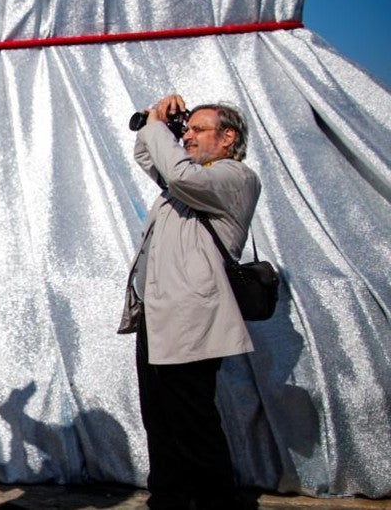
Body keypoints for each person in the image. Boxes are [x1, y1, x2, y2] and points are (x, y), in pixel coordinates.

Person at [118, 95, 261, 510]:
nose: (188, 137)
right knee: (160, 420)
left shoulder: (234, 177)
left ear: (228, 136)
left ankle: (217, 503)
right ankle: (169, 499)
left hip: (190, 319)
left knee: (192, 420)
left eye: (198, 130)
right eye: (187, 130)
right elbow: (151, 157)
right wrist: (152, 120)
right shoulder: (191, 180)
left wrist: (159, 128)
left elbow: (177, 174)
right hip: (158, 317)